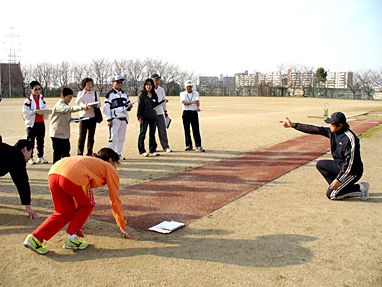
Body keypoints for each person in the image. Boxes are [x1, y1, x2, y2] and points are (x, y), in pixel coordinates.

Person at [23, 147, 135, 255]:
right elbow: (115, 199)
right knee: (88, 205)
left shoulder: (90, 163)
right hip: (72, 175)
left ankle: (35, 238)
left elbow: (78, 198)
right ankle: (72, 238)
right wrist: (122, 225)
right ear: (111, 160)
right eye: (116, 164)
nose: (116, 168)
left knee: (63, 212)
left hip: (54, 172)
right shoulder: (108, 167)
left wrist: (76, 222)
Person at [282, 112, 369, 200]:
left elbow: (350, 163)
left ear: (340, 125)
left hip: (352, 172)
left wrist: (339, 180)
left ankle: (360, 188)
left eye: (332, 124)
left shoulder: (350, 139)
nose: (330, 125)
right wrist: (293, 125)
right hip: (340, 166)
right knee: (320, 165)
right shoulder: (333, 132)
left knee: (332, 195)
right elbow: (315, 129)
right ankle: (340, 188)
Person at [0, 139, 39, 218]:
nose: (29, 158)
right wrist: (28, 207)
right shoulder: (17, 156)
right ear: (24, 149)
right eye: (30, 153)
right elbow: (22, 182)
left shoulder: (9, 152)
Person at [50, 87, 89, 163]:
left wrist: (76, 119)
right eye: (69, 97)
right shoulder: (60, 105)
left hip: (64, 134)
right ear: (63, 96)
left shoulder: (66, 104)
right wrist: (82, 107)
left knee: (66, 154)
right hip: (57, 134)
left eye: (71, 97)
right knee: (57, 155)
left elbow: (68, 118)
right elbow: (68, 109)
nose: (70, 99)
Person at [103, 75, 133, 160]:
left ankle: (118, 154)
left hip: (124, 118)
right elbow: (106, 108)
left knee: (121, 138)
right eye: (118, 82)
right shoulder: (110, 94)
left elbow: (128, 103)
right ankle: (111, 156)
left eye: (121, 82)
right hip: (114, 119)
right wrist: (109, 119)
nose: (120, 84)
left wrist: (129, 107)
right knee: (113, 138)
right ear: (113, 83)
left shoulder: (124, 93)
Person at [22, 81, 49, 164]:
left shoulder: (42, 99)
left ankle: (40, 156)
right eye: (35, 89)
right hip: (32, 124)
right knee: (30, 141)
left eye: (39, 89)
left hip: (40, 122)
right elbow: (25, 112)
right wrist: (35, 111)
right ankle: (30, 157)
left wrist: (44, 112)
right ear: (31, 90)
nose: (37, 91)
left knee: (41, 141)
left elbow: (45, 109)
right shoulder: (28, 101)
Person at [76, 77, 101, 156]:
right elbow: (78, 102)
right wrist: (84, 105)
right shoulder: (80, 93)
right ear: (84, 85)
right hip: (83, 117)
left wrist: (95, 104)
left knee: (91, 137)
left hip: (92, 116)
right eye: (88, 84)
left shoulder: (95, 93)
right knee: (81, 137)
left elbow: (99, 103)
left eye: (91, 84)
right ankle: (80, 153)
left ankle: (89, 152)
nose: (90, 85)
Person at [180, 80, 205, 152]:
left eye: (190, 86)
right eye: (187, 87)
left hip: (194, 113)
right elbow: (184, 103)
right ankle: (189, 145)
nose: (189, 88)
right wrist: (193, 102)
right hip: (186, 112)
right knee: (187, 130)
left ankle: (198, 145)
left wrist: (197, 107)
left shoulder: (195, 93)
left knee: (196, 129)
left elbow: (197, 101)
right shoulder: (182, 94)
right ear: (185, 87)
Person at [137, 78, 160, 157]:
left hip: (153, 117)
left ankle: (152, 150)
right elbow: (139, 107)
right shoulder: (142, 95)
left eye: (150, 85)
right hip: (144, 117)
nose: (148, 86)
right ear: (144, 86)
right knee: (142, 134)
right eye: (147, 85)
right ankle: (142, 150)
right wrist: (139, 117)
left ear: (152, 86)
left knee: (152, 134)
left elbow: (156, 105)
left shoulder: (154, 94)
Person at [151, 73, 172, 153]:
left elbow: (164, 101)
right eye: (156, 79)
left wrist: (165, 111)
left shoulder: (161, 89)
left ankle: (165, 146)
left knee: (162, 130)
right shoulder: (149, 90)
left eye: (158, 79)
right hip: (152, 114)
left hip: (160, 113)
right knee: (152, 132)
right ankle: (153, 147)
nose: (157, 81)